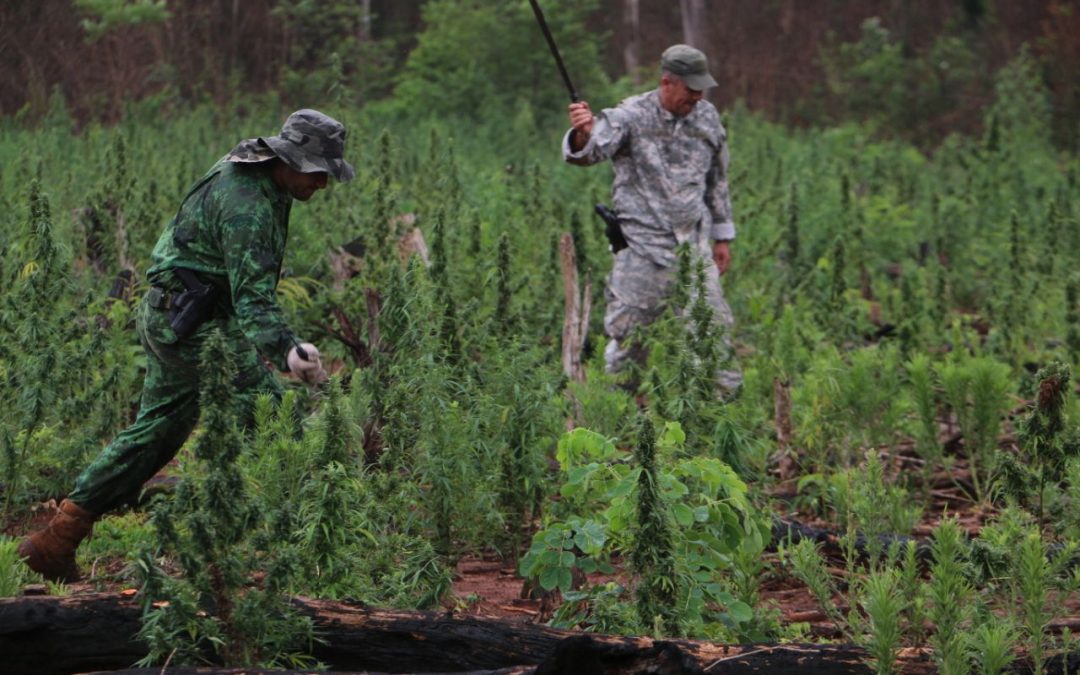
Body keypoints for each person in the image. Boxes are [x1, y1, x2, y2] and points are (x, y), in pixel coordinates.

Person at [19, 109, 354, 582]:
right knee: (277, 419)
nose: (323, 185)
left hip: (173, 314)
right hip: (193, 325)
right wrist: (290, 352)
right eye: (319, 173)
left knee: (158, 431)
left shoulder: (258, 172)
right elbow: (253, 301)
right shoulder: (248, 206)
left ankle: (57, 539)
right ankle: (307, 554)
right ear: (291, 159)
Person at [564, 44, 740, 391]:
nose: (697, 96)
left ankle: (719, 419)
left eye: (700, 89)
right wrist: (582, 133)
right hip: (642, 249)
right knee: (629, 340)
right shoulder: (630, 115)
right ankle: (619, 421)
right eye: (690, 89)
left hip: (694, 247)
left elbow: (716, 180)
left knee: (712, 332)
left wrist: (722, 236)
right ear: (666, 82)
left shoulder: (707, 118)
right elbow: (590, 152)